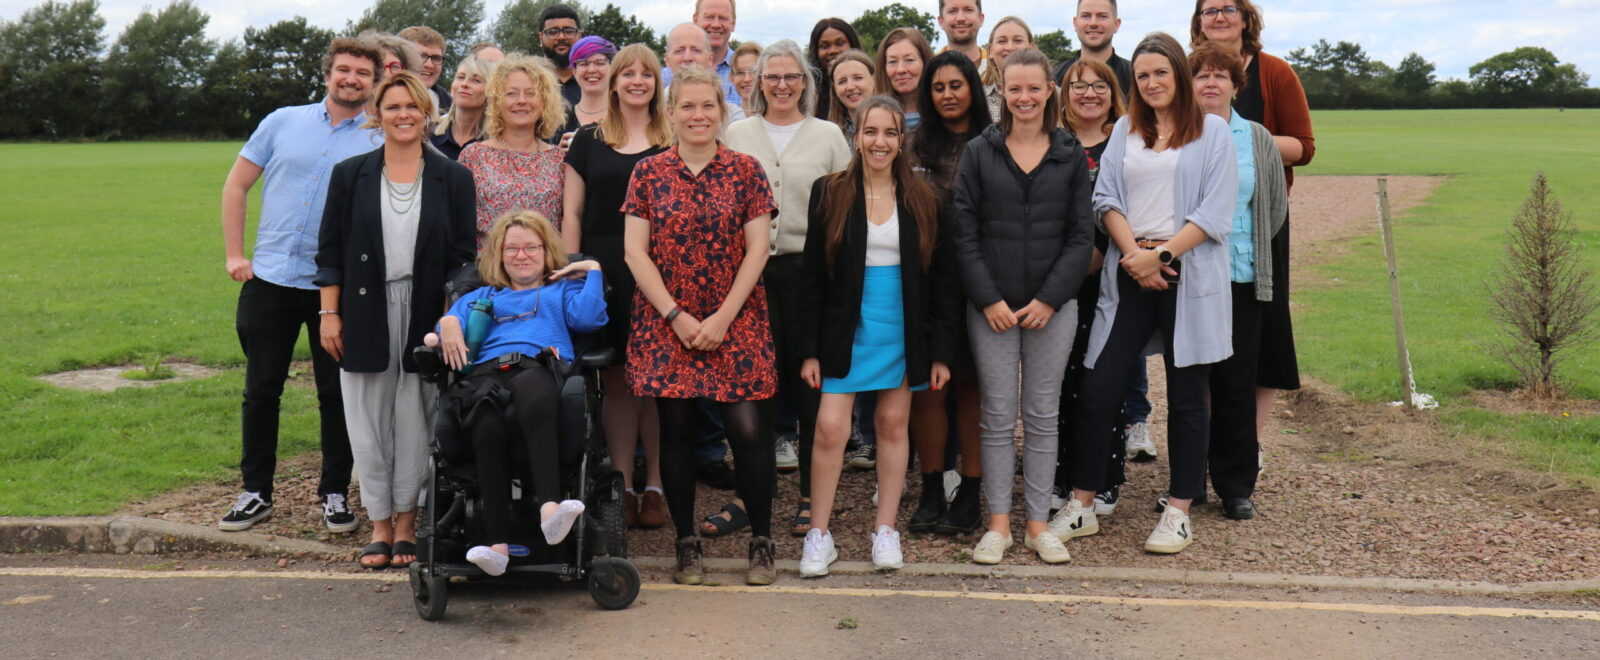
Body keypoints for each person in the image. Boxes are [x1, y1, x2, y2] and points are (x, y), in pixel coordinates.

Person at [1062, 32, 1237, 556]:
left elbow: (1214, 211)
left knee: (1187, 399)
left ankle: (1179, 510)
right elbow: (1106, 197)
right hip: (1131, 271)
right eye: (1142, 75)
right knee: (1099, 387)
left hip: (1187, 273)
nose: (1152, 82)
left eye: (1161, 72)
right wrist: (1135, 258)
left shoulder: (1212, 131)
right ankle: (1082, 504)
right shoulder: (1124, 130)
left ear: (1179, 75)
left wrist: (1160, 257)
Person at [217, 37, 382, 535]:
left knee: (337, 394)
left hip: (335, 287)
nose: (351, 78)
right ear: (328, 73)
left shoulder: (378, 137)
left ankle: (334, 493)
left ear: (374, 82)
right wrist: (235, 255)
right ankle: (255, 493)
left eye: (362, 73)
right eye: (343, 69)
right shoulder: (281, 121)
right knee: (261, 389)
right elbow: (236, 185)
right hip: (270, 279)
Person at [623, 67, 780, 586]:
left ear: (722, 110)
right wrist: (677, 315)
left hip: (736, 316)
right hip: (668, 320)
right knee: (678, 432)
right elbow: (634, 251)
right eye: (686, 107)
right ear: (670, 113)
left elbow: (759, 248)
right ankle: (686, 543)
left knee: (749, 431)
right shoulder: (648, 173)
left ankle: (762, 541)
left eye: (707, 106)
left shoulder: (746, 170)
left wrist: (722, 318)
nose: (697, 115)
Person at [315, 71, 478, 569]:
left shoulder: (454, 176)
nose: (403, 115)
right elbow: (330, 250)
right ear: (377, 114)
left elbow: (463, 258)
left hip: (426, 311)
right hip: (363, 310)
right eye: (393, 107)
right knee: (366, 419)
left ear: (427, 114)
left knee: (417, 417)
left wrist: (451, 318)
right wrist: (328, 312)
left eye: (413, 106)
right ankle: (378, 522)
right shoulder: (350, 173)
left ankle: (407, 523)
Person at [796, 95, 956, 576]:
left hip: (902, 326)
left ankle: (885, 530)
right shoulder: (830, 192)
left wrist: (942, 351)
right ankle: (818, 535)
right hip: (847, 327)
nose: (879, 142)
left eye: (889, 133)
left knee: (891, 425)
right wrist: (808, 349)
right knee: (829, 429)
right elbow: (811, 278)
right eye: (870, 132)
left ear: (900, 140)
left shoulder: (926, 198)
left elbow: (944, 282)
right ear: (855, 136)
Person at [952, 48, 1094, 565]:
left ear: (1049, 91)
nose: (1025, 97)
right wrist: (987, 298)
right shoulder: (980, 152)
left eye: (1035, 88)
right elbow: (963, 233)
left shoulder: (1069, 153)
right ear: (1002, 93)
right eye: (1015, 89)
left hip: (1051, 310)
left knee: (1041, 414)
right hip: (991, 308)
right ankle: (997, 525)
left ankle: (1037, 525)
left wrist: (1049, 300)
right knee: (994, 416)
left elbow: (1081, 237)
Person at [431, 211, 606, 576]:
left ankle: (549, 510)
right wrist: (447, 322)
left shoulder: (561, 289)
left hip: (539, 369)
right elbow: (436, 338)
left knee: (532, 387)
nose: (521, 255)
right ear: (499, 253)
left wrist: (591, 269)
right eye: (512, 248)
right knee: (484, 418)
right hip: (485, 377)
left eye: (531, 247)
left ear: (546, 251)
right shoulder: (480, 296)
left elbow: (589, 319)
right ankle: (496, 546)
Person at [725, 39, 852, 538]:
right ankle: (749, 494)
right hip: (747, 276)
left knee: (808, 387)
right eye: (771, 77)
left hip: (807, 274)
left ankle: (809, 496)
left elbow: (845, 208)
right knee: (752, 386)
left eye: (791, 77)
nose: (781, 85)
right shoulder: (737, 133)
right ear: (758, 83)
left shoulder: (827, 136)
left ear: (806, 83)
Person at [1190, 0, 1314, 508]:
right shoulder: (1181, 115)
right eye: (1209, 9)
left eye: (1228, 8)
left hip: (1252, 240)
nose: (1219, 16)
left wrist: (1253, 144)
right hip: (1193, 257)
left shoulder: (1274, 75)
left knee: (1245, 365)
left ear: (1246, 18)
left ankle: (1239, 472)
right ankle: (1192, 473)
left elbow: (1304, 146)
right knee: (1194, 375)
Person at [562, 44, 674, 529]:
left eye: (645, 74)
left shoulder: (673, 139)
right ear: (612, 82)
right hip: (603, 267)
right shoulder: (588, 140)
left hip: (663, 270)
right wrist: (574, 269)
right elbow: (571, 212)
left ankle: (659, 487)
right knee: (620, 382)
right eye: (625, 73)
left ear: (656, 82)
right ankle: (624, 484)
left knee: (662, 383)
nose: (635, 81)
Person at [906, 50, 991, 536]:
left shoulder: (994, 140)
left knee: (972, 388)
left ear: (972, 89)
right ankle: (932, 487)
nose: (947, 95)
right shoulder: (915, 145)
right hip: (923, 278)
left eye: (956, 85)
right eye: (938, 88)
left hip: (979, 279)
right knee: (928, 386)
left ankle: (972, 492)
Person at [1053, 57, 1138, 516]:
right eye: (1078, 85)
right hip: (1060, 280)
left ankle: (1105, 477)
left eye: (1099, 85)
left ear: (1113, 91)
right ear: (1064, 93)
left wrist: (1102, 251)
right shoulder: (1055, 142)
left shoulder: (1126, 142)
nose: (1089, 93)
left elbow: (1133, 201)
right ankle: (1061, 476)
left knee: (1102, 378)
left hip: (1110, 276)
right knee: (1059, 380)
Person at [459, 55, 568, 250]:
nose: (521, 101)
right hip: (486, 273)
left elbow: (569, 220)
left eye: (530, 93)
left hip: (548, 273)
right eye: (511, 94)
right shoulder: (474, 155)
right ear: (497, 101)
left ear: (544, 101)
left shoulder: (560, 160)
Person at [662, 23, 747, 123]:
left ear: (710, 59)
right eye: (679, 51)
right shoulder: (651, 112)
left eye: (696, 50)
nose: (687, 58)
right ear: (667, 60)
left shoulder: (732, 118)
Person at [1054, 0, 1134, 100]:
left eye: (1102, 16)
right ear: (1075, 23)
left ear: (1116, 24)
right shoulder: (1055, 79)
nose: (1093, 23)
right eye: (1086, 16)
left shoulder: (1135, 77)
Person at [431, 54, 497, 160]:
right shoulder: (429, 134)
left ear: (490, 91)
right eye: (461, 77)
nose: (464, 84)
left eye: (476, 80)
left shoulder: (497, 143)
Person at [559, 35, 617, 144]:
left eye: (600, 63)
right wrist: (557, 154)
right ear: (574, 71)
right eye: (583, 63)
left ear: (613, 68)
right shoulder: (559, 121)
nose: (591, 70)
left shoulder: (627, 117)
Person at [875, 28, 933, 130]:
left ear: (925, 62)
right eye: (893, 62)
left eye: (909, 60)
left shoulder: (943, 110)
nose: (900, 69)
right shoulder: (874, 115)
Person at [980, 16, 1032, 127]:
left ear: (1031, 47)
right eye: (1002, 41)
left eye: (1018, 40)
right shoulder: (977, 97)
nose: (1010, 47)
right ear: (990, 51)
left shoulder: (1054, 94)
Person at [807, 17, 860, 118]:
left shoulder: (872, 86)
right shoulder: (809, 94)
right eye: (824, 46)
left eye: (840, 43)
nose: (833, 51)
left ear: (852, 45)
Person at [693, 0, 740, 104]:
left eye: (723, 18)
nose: (716, 24)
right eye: (709, 17)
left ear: (733, 23)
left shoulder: (750, 73)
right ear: (695, 20)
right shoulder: (668, 76)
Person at [539, 3, 584, 108]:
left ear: (579, 36)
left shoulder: (593, 80)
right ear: (540, 38)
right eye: (553, 32)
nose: (561, 37)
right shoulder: (530, 80)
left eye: (569, 31)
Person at [825, 50, 876, 140]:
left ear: (874, 80)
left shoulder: (895, 124)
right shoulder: (829, 136)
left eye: (858, 78)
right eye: (842, 81)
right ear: (835, 89)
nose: (850, 87)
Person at [399, 26, 451, 112]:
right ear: (400, 58)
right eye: (421, 56)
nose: (429, 65)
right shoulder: (375, 102)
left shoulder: (451, 107)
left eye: (436, 58)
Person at [936, 0, 987, 75]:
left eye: (968, 10)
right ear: (941, 21)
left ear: (981, 19)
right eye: (952, 11)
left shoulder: (999, 67)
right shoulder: (928, 69)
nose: (960, 18)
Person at [731, 42, 762, 112]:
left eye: (754, 72)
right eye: (740, 73)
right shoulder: (727, 119)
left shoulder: (776, 119)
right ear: (732, 78)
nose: (746, 79)